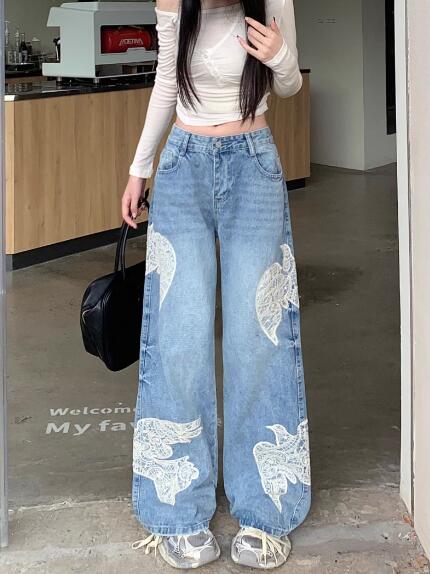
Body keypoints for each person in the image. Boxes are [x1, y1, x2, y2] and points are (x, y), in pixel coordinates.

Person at [121, 0, 311, 569]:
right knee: (179, 336)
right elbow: (166, 81)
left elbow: (291, 84)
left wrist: (280, 57)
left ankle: (266, 510)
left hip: (253, 164)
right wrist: (139, 169)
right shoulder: (174, 2)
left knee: (259, 338)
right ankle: (177, 510)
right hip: (184, 167)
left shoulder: (271, 1)